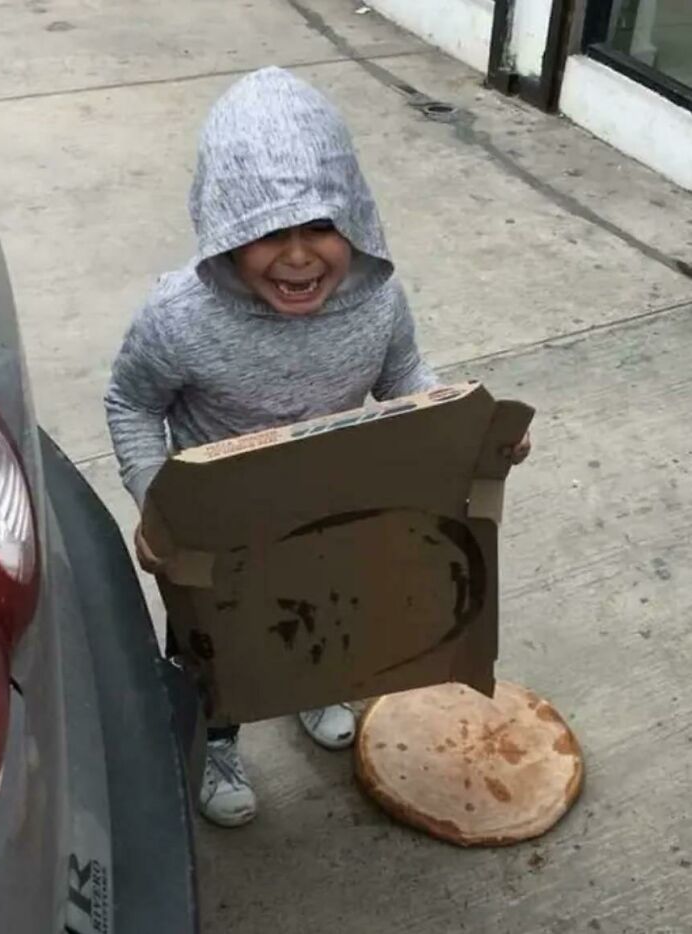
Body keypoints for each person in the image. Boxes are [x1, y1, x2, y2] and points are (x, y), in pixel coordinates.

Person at [105, 67, 530, 829]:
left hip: (332, 512)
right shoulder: (177, 317)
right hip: (220, 527)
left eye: (320, 228)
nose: (298, 258)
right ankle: (215, 744)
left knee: (327, 620)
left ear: (355, 215)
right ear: (225, 226)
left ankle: (310, 691)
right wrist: (153, 500)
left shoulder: (377, 297)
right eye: (269, 233)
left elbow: (404, 376)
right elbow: (131, 402)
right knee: (213, 653)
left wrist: (469, 427)